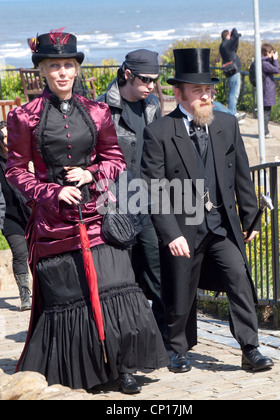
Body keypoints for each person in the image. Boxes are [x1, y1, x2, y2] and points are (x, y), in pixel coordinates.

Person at [6, 29, 168, 394]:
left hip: (98, 216)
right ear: (43, 70)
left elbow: (115, 159)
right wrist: (51, 191)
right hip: (52, 224)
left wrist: (91, 173)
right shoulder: (23, 117)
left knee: (117, 287)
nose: (62, 72)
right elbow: (15, 171)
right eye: (54, 66)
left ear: (76, 69)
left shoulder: (97, 111)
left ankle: (123, 367)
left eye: (68, 65)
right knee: (70, 299)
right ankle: (85, 371)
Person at [141, 48, 274, 374]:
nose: (206, 97)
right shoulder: (159, 132)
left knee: (239, 278)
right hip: (183, 228)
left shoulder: (226, 124)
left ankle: (250, 348)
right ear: (179, 93)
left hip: (221, 225)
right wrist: (170, 234)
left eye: (209, 90)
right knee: (181, 290)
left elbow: (241, 173)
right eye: (198, 91)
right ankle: (178, 349)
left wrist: (250, 216)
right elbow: (153, 188)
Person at [97, 50, 167, 341]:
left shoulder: (152, 105)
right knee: (122, 275)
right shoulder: (102, 108)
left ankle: (165, 338)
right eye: (146, 80)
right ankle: (126, 337)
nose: (152, 86)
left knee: (157, 269)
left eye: (155, 80)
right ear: (127, 75)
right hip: (114, 202)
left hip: (148, 200)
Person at [0, 121, 31, 311]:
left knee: (40, 254)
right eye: (3, 137)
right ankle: (25, 295)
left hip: (32, 212)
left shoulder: (24, 156)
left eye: (9, 135)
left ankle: (46, 291)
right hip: (10, 218)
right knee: (21, 253)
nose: (7, 140)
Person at [220, 28, 245, 120]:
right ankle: (232, 113)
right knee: (234, 93)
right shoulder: (226, 43)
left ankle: (233, 112)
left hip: (230, 71)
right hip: (233, 71)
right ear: (227, 36)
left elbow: (235, 42)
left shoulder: (223, 45)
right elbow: (235, 38)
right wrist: (234, 31)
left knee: (232, 92)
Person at [261, 43, 280, 138]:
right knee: (266, 113)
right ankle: (265, 131)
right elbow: (276, 70)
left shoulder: (263, 61)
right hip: (266, 91)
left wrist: (272, 59)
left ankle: (264, 130)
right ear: (267, 53)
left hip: (265, 90)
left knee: (266, 112)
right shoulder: (265, 64)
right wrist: (275, 60)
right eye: (271, 52)